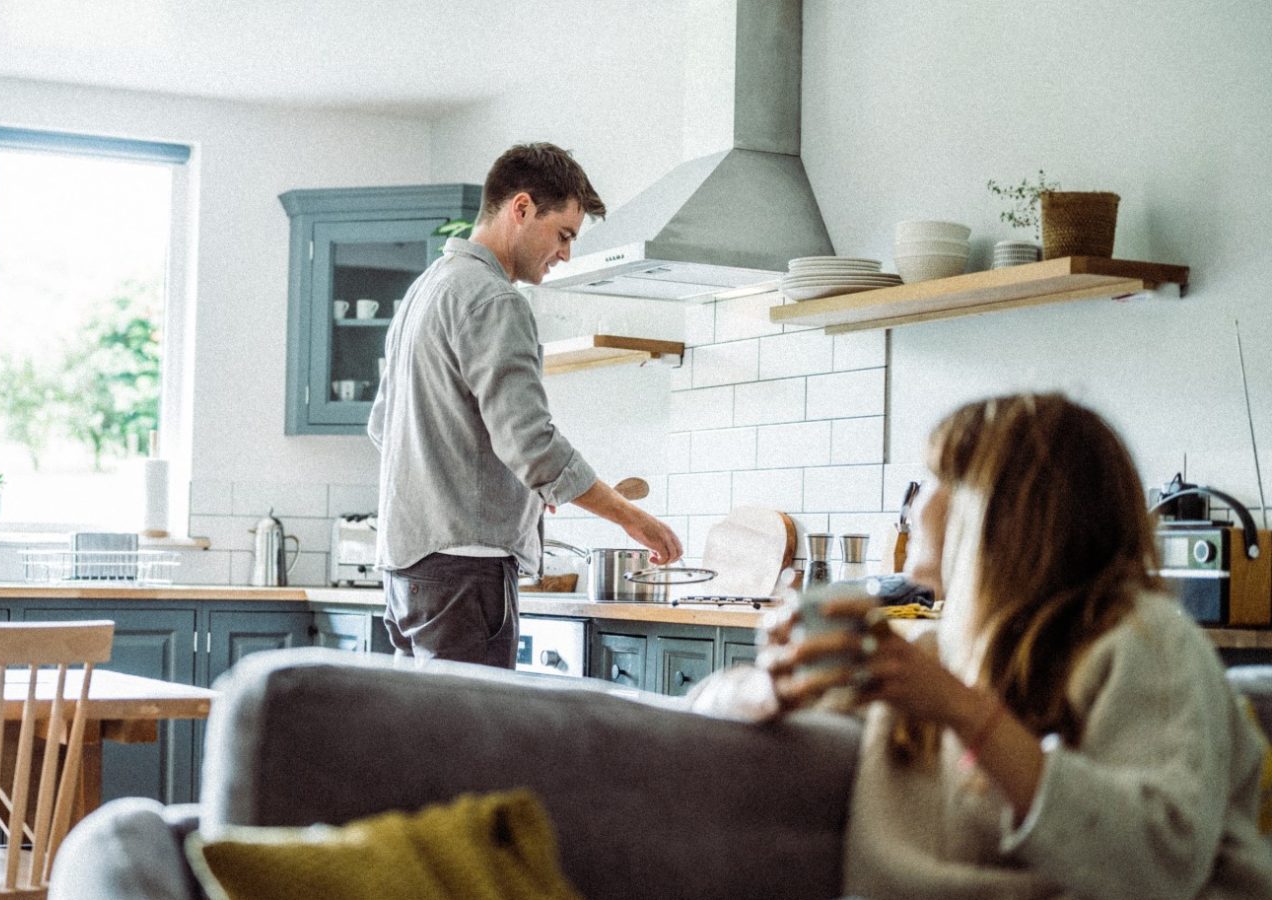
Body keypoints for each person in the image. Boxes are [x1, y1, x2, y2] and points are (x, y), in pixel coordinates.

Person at [689, 392, 1272, 898]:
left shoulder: (1146, 640)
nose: (917, 502)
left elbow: (1159, 867)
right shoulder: (928, 652)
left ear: (1007, 510)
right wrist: (772, 683)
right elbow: (701, 715)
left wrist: (964, 711)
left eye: (940, 479)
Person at [368, 142, 683, 669]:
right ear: (521, 208)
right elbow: (531, 444)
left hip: (408, 569)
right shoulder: (495, 299)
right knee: (473, 748)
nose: (565, 255)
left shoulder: (425, 291)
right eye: (563, 235)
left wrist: (511, 482)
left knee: (423, 744)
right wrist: (634, 520)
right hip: (465, 574)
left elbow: (385, 426)